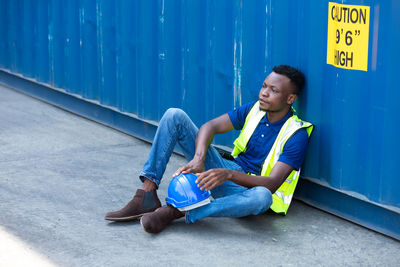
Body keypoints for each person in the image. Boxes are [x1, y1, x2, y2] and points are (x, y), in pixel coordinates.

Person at [105, 65, 313, 234]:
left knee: (263, 198)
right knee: (174, 115)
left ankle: (180, 212)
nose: (264, 93)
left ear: (290, 99)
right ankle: (147, 196)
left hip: (245, 190)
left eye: (273, 90)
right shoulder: (255, 109)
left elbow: (272, 184)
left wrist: (228, 174)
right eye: (264, 86)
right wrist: (199, 158)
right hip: (220, 170)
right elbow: (210, 127)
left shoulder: (296, 134)